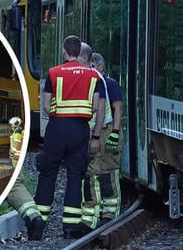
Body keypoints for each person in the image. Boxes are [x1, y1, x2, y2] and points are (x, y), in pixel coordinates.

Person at [35, 35, 104, 239]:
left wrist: (59, 112)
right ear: (79, 52)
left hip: (57, 129)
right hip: (79, 130)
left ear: (64, 52)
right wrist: (95, 134)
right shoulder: (93, 76)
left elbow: (46, 106)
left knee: (48, 174)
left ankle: (40, 223)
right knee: (75, 177)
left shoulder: (53, 73)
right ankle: (70, 228)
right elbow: (95, 106)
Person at [81, 52, 124, 229]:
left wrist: (114, 131)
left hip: (107, 131)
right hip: (95, 132)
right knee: (92, 173)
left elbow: (118, 107)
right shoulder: (91, 82)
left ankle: (110, 215)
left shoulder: (110, 84)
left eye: (93, 64)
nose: (90, 68)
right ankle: (94, 216)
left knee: (108, 173)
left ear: (101, 66)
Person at [5, 116, 45, 240]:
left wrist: (12, 154)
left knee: (12, 185)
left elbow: (15, 150)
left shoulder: (17, 134)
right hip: (18, 163)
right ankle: (34, 216)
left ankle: (33, 219)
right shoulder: (21, 132)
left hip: (15, 162)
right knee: (16, 186)